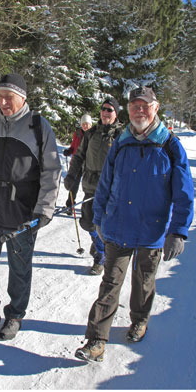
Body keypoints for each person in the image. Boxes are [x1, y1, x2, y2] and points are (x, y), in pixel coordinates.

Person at [75, 86, 194, 362]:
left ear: (156, 107)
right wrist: (100, 218)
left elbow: (184, 192)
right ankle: (96, 340)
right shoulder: (122, 142)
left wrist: (178, 231)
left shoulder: (170, 145)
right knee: (110, 283)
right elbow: (104, 184)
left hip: (152, 230)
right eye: (134, 106)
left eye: (145, 105)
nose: (139, 110)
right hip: (118, 227)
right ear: (128, 110)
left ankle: (139, 319)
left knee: (144, 281)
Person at [0, 73, 61, 342]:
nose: (3, 102)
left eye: (9, 97)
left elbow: (52, 171)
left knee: (19, 267)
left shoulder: (38, 127)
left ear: (22, 98)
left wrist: (44, 208)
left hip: (22, 211)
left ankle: (15, 314)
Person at [64, 98, 124, 275]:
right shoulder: (91, 133)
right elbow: (79, 156)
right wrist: (71, 176)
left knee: (105, 225)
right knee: (88, 223)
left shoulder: (121, 136)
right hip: (90, 185)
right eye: (103, 109)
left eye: (110, 110)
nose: (105, 112)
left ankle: (101, 255)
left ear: (116, 114)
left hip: (110, 188)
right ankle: (98, 244)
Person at [63, 114, 93, 214]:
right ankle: (70, 205)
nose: (85, 126)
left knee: (89, 187)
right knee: (73, 185)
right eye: (83, 124)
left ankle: (89, 208)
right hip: (77, 163)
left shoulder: (93, 134)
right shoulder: (78, 133)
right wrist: (69, 151)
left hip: (89, 165)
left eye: (87, 124)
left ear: (90, 124)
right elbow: (73, 146)